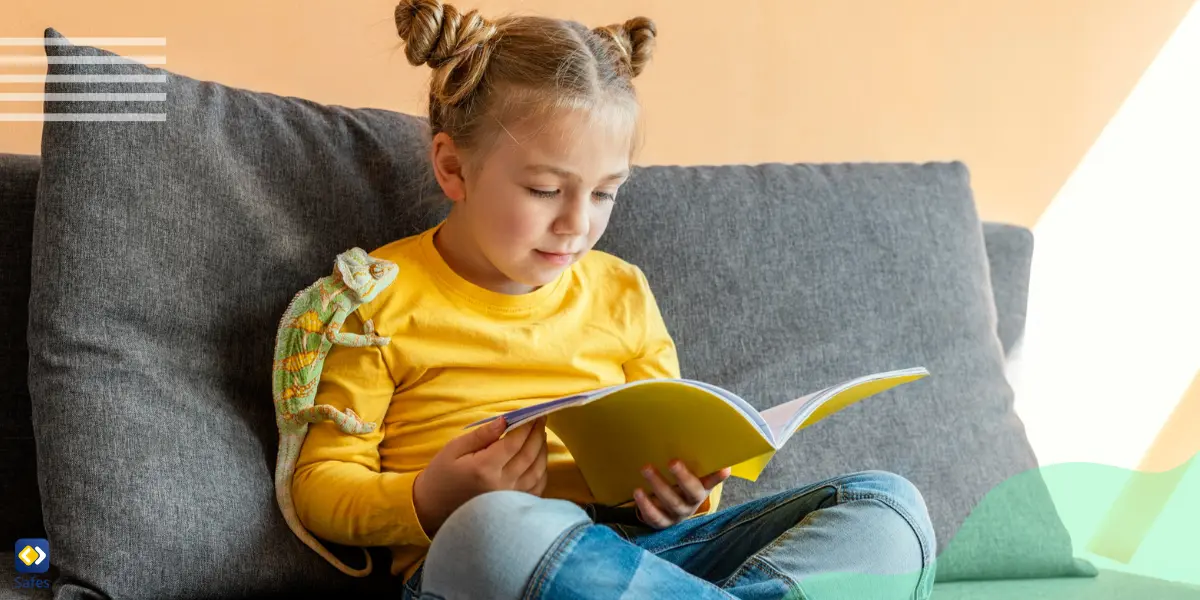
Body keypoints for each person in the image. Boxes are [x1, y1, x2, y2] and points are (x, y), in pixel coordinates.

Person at [293, 1, 937, 598]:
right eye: (546, 189)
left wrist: (679, 497)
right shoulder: (372, 298)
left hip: (651, 555)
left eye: (604, 193)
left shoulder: (621, 290)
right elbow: (317, 488)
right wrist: (429, 498)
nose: (577, 223)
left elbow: (673, 448)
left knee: (888, 509)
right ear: (454, 167)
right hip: (493, 562)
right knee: (495, 527)